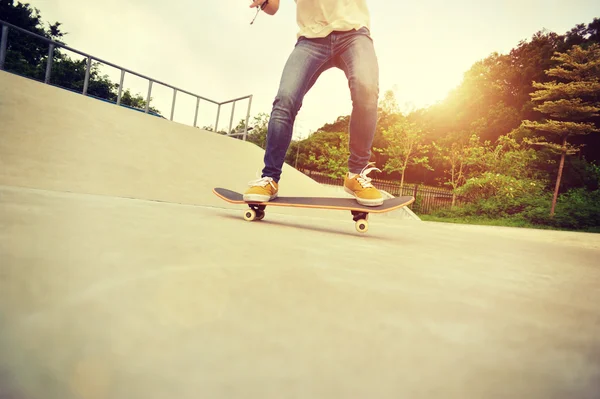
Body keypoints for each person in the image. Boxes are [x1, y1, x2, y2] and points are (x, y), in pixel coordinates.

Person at [244, 0, 384, 206]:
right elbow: (273, 7)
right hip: (311, 38)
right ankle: (269, 178)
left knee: (367, 90)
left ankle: (356, 174)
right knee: (285, 98)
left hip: (353, 33)